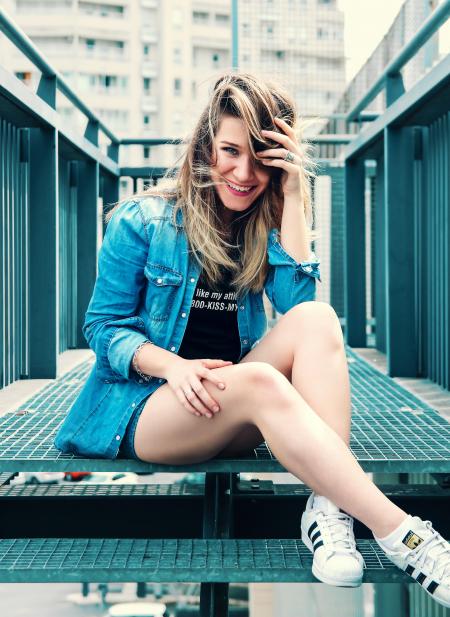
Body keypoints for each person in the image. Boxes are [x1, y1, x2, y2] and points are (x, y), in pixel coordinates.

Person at [54, 72, 450, 605]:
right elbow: (102, 330)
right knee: (261, 380)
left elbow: (299, 307)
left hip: (230, 404)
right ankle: (406, 537)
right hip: (147, 410)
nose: (244, 172)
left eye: (262, 157)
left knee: (319, 320)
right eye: (230, 152)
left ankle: (327, 509)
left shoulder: (260, 225)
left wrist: (292, 194)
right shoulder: (142, 220)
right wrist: (173, 367)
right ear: (205, 147)